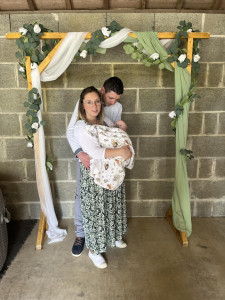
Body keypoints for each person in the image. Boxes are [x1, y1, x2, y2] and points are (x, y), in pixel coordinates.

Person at [74, 86, 132, 268]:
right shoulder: (80, 126)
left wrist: (122, 130)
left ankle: (113, 236)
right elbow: (94, 151)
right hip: (94, 174)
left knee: (112, 206)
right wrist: (121, 151)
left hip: (111, 173)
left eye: (97, 101)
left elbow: (117, 135)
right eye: (89, 102)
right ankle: (94, 251)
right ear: (82, 106)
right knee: (95, 211)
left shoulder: (105, 121)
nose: (94, 105)